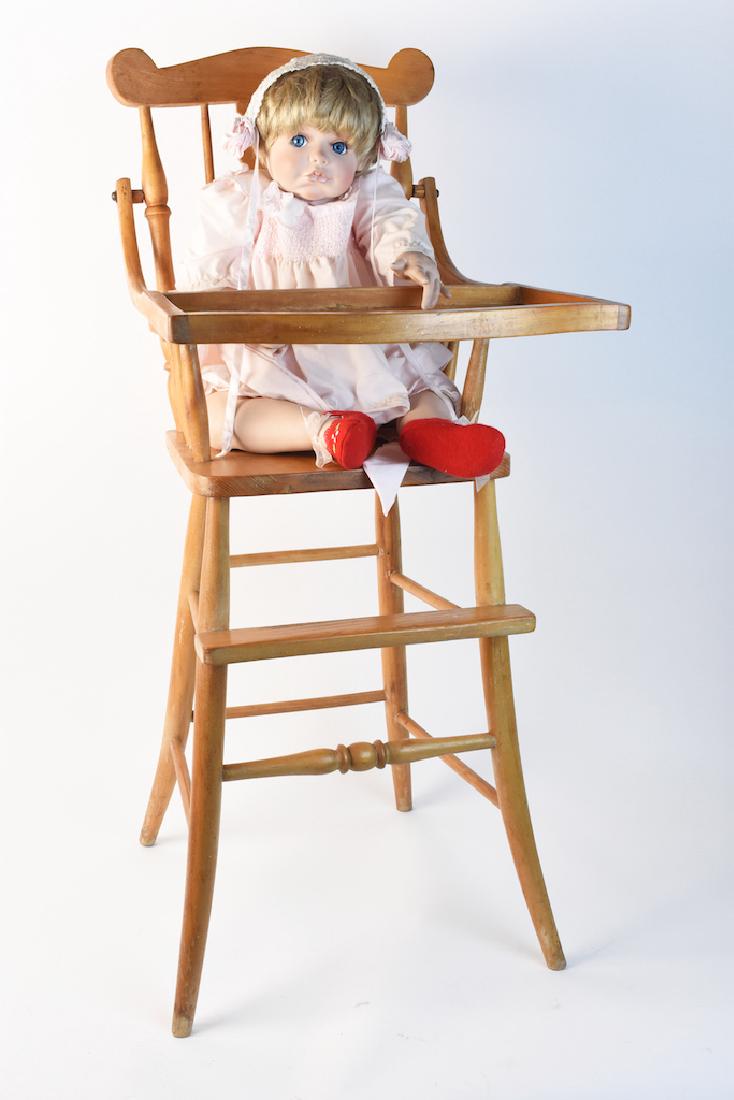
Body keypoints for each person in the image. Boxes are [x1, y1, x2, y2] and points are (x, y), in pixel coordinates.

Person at [182, 52, 505, 477]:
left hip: (362, 346)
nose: (318, 160)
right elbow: (210, 266)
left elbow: (391, 223)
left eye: (338, 147)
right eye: (299, 141)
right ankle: (328, 432)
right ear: (263, 142)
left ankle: (429, 430)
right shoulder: (243, 199)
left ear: (364, 157)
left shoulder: (365, 196)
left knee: (421, 387)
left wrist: (406, 255)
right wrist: (222, 312)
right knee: (218, 413)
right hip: (274, 351)